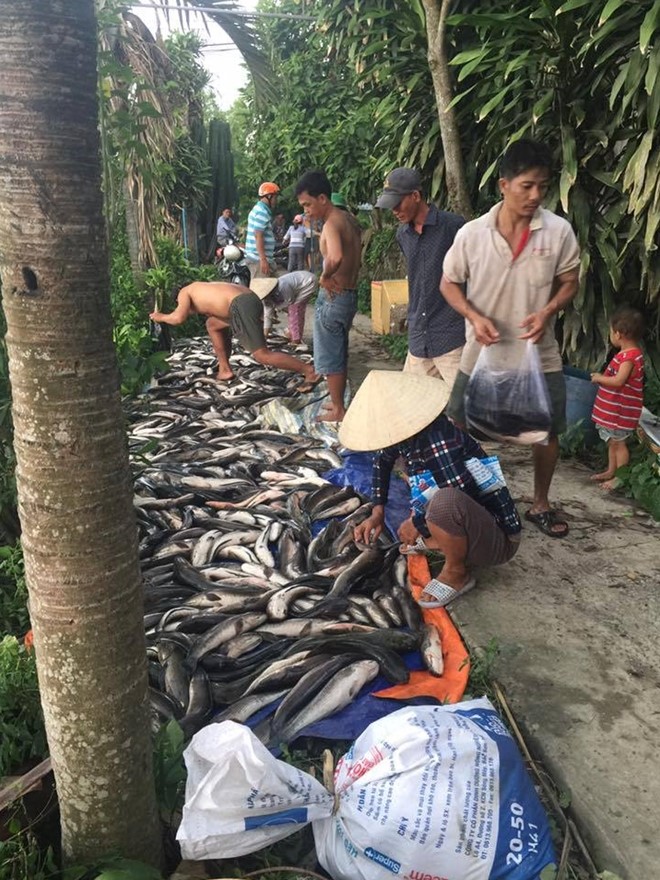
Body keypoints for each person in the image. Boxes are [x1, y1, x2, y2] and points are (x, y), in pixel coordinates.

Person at [440, 138, 580, 538]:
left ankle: (540, 503)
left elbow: (570, 281)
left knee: (548, 431)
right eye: (527, 186)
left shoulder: (558, 232)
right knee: (458, 423)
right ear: (504, 185)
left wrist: (548, 310)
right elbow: (448, 283)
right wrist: (472, 314)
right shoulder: (472, 234)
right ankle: (462, 498)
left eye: (543, 186)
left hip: (539, 353)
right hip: (480, 351)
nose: (536, 195)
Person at [341, 371, 522, 606]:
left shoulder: (440, 439)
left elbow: (458, 497)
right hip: (470, 519)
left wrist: (417, 524)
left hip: (498, 539)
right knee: (431, 502)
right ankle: (441, 541)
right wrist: (378, 510)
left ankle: (458, 573)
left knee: (444, 502)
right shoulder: (407, 435)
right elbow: (382, 461)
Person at [375, 168, 465, 390]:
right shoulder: (402, 235)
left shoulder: (454, 227)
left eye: (398, 203)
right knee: (411, 407)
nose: (394, 211)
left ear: (415, 196)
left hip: (452, 337)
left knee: (470, 411)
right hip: (419, 338)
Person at [149, 280, 320, 388]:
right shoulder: (202, 286)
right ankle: (225, 369)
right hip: (250, 298)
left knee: (262, 355)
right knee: (212, 324)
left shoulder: (184, 292)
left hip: (240, 306)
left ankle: (308, 370)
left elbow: (178, 318)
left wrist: (160, 317)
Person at [295, 169, 362, 422]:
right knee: (339, 351)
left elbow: (334, 256)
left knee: (330, 355)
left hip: (334, 296)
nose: (306, 211)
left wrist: (324, 277)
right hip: (349, 294)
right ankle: (338, 404)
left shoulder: (332, 223)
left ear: (323, 198)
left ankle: (338, 408)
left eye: (308, 204)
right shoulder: (350, 219)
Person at [590, 306, 645, 490]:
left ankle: (619, 477)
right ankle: (611, 470)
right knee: (613, 442)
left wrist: (599, 378)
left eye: (611, 332)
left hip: (620, 411)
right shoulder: (626, 354)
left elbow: (619, 381)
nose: (610, 336)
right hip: (614, 410)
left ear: (619, 334)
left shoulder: (629, 357)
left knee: (619, 444)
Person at [253, 270, 317, 351]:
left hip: (308, 282)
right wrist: (264, 336)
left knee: (295, 310)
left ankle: (296, 340)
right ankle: (293, 331)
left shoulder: (282, 286)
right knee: (292, 311)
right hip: (296, 288)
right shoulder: (267, 298)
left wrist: (276, 308)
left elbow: (289, 301)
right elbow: (267, 316)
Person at [245, 182, 281, 278]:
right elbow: (258, 235)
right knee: (262, 291)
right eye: (275, 197)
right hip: (258, 259)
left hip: (260, 258)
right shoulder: (261, 212)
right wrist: (263, 259)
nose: (276, 200)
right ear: (268, 196)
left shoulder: (260, 210)